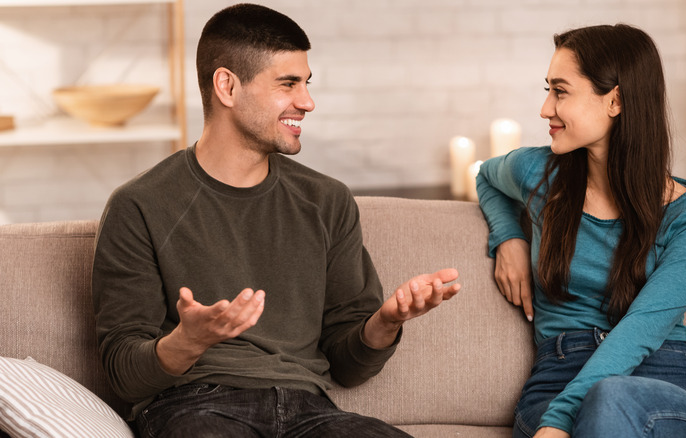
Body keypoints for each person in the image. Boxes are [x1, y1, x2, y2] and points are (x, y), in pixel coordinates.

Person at [91, 4, 460, 437]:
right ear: (227, 86)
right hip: (196, 407)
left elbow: (348, 366)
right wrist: (188, 341)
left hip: (310, 411)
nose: (307, 102)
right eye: (288, 84)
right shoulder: (141, 205)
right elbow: (122, 373)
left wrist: (386, 322)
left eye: (306, 83)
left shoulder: (327, 201)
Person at [476, 24, 686, 438]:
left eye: (560, 91)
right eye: (548, 90)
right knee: (605, 402)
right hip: (559, 374)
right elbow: (486, 177)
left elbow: (643, 327)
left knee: (610, 399)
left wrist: (560, 421)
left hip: (665, 382)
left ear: (614, 100)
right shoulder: (539, 174)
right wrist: (509, 238)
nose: (545, 110)